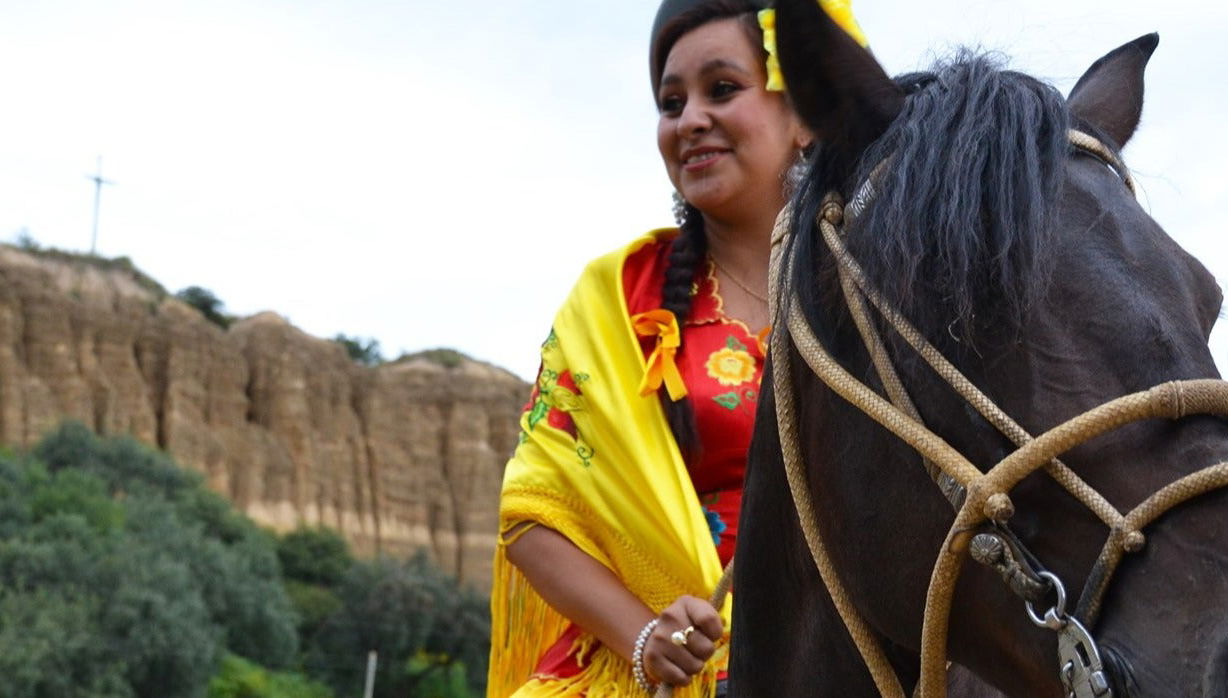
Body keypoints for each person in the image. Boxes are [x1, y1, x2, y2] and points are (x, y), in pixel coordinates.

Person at [488, 1, 868, 695]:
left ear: (805, 115)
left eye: (721, 89)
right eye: (671, 103)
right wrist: (645, 638)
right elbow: (535, 514)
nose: (690, 119)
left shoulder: (884, 290)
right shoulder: (620, 298)